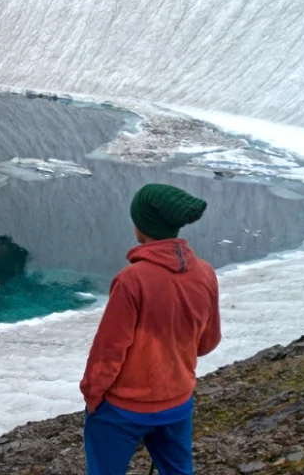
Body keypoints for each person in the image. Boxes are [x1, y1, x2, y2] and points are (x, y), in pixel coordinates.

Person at [80, 184, 221, 475]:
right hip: (178, 402)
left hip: (124, 409)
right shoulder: (205, 272)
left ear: (141, 226)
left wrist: (93, 396)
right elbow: (208, 342)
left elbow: (109, 351)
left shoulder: (132, 279)